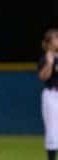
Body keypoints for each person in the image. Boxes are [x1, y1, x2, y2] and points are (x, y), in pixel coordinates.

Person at [39, 29, 58, 160]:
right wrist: (50, 63)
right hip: (51, 95)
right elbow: (43, 77)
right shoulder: (45, 58)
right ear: (50, 42)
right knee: (52, 130)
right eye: (56, 38)